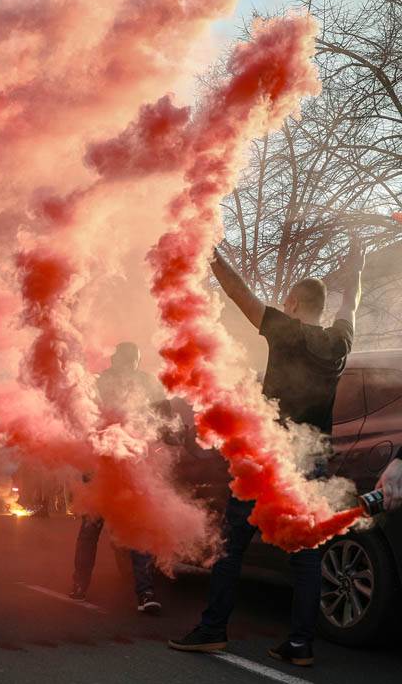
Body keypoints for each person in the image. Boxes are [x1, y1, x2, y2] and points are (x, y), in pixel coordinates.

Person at [170, 241, 364, 667]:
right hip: (312, 459)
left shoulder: (284, 329)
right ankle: (300, 644)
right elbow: (350, 303)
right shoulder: (340, 341)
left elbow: (239, 293)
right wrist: (357, 268)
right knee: (307, 554)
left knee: (232, 543)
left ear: (292, 303)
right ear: (321, 307)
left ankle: (212, 630)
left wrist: (210, 251)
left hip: (269, 456)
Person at [70, 342, 164, 614]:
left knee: (136, 527)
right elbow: (85, 419)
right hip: (101, 464)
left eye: (134, 359)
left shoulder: (147, 382)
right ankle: (80, 583)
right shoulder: (101, 383)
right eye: (126, 359)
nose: (130, 364)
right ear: (116, 359)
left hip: (132, 465)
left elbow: (163, 415)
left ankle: (145, 593)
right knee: (91, 526)